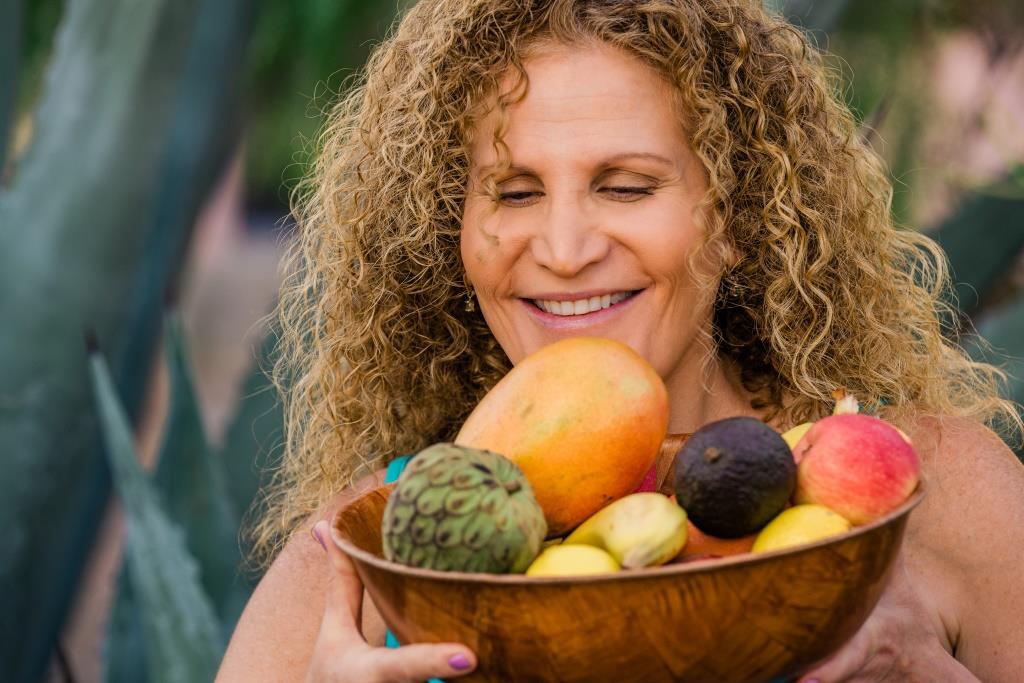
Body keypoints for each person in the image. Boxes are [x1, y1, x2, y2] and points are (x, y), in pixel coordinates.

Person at [217, 1, 1024, 681]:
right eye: (515, 191)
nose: (564, 250)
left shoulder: (932, 499)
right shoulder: (360, 561)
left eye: (627, 187)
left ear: (737, 219)